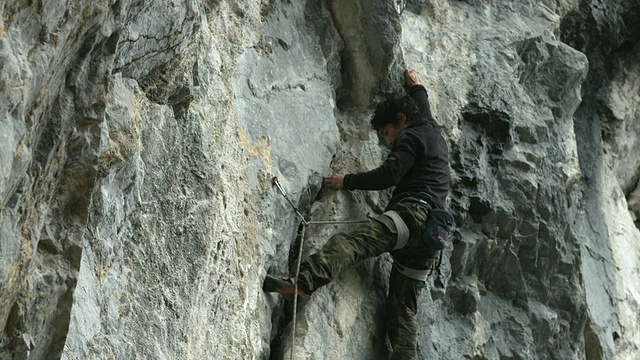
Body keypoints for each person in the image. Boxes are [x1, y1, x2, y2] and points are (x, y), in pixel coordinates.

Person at [264, 68, 451, 359]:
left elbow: (390, 174)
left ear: (401, 120)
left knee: (350, 244)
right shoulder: (429, 130)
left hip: (412, 216)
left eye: (388, 134)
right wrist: (417, 86)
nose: (389, 141)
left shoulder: (410, 137)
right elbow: (421, 106)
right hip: (433, 235)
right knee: (403, 307)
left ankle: (302, 282)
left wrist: (346, 181)